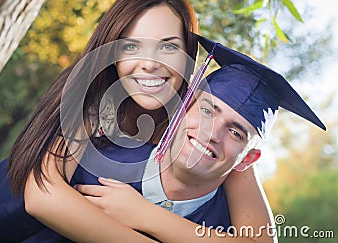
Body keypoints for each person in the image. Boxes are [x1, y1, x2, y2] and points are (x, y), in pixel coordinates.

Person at [0, 0, 274, 243]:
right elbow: (42, 196)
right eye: (132, 45)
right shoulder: (91, 96)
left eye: (169, 47)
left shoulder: (207, 120)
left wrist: (144, 215)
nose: (150, 63)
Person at [74, 34, 326, 242]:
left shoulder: (230, 229)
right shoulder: (93, 164)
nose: (211, 133)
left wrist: (144, 215)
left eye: (235, 132)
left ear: (248, 159)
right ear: (181, 109)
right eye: (207, 111)